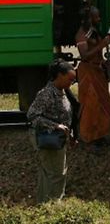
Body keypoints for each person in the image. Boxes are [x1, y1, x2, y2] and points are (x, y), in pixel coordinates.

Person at [27, 59, 77, 203]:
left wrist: (70, 135)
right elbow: (32, 116)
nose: (71, 83)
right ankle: (54, 206)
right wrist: (55, 126)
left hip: (56, 138)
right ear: (59, 76)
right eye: (70, 79)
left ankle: (44, 205)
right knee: (56, 174)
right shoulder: (47, 94)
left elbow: (64, 116)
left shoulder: (61, 92)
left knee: (47, 173)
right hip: (47, 137)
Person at [75, 6, 110, 148]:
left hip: (97, 70)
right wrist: (103, 44)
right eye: (96, 17)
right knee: (90, 105)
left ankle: (100, 135)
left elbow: (96, 53)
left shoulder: (92, 32)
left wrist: (103, 62)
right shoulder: (81, 34)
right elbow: (84, 55)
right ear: (90, 18)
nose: (99, 19)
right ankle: (89, 138)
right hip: (88, 72)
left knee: (102, 103)